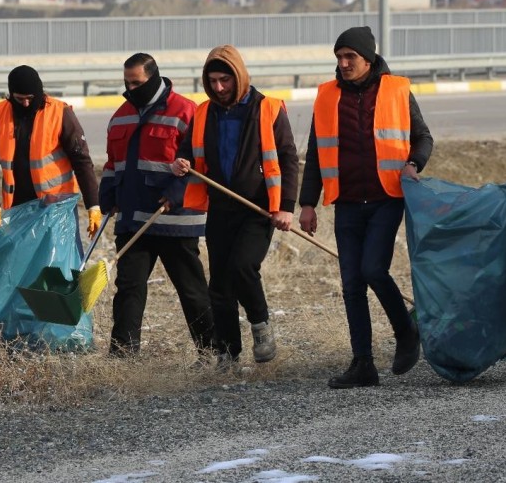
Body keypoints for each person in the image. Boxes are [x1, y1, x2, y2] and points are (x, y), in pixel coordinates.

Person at [298, 26, 434, 389]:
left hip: (386, 199)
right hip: (346, 203)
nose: (343, 64)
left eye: (350, 58)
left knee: (374, 269)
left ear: (368, 58)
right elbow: (315, 153)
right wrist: (307, 203)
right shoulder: (327, 96)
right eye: (339, 58)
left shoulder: (396, 90)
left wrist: (414, 163)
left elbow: (423, 136)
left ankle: (406, 332)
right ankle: (363, 364)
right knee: (351, 284)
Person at [170, 45, 299, 369]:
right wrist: (181, 164)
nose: (218, 88)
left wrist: (285, 207)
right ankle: (228, 352)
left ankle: (261, 325)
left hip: (258, 209)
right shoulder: (203, 112)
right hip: (221, 208)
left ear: (238, 77)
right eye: (212, 81)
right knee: (220, 285)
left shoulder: (267, 108)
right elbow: (187, 152)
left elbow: (288, 158)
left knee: (244, 266)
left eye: (224, 80)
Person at [99, 53, 215, 358]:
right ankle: (123, 355)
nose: (130, 88)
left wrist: (177, 192)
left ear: (153, 78)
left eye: (136, 82)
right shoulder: (121, 115)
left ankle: (214, 351)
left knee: (191, 290)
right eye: (126, 82)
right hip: (134, 220)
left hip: (175, 218)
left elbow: (201, 162)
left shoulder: (185, 111)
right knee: (128, 288)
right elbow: (113, 164)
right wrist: (107, 196)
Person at [0, 64, 101, 238]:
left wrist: (93, 205)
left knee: (58, 263)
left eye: (30, 98)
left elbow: (81, 161)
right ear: (11, 95)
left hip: (56, 209)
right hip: (18, 209)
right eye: (20, 99)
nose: (26, 103)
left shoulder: (59, 113)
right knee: (24, 262)